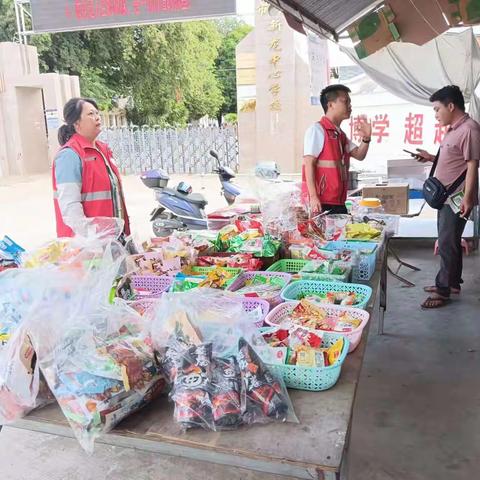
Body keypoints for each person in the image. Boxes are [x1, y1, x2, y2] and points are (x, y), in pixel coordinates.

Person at [415, 85, 480, 309]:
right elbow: (453, 160)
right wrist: (430, 157)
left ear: (451, 106)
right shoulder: (453, 129)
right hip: (446, 198)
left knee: (446, 242)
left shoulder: (470, 129)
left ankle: (443, 290)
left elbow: (472, 165)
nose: (436, 114)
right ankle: (453, 283)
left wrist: (469, 198)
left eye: (437, 109)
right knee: (449, 241)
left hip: (457, 197)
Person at [52, 97, 130, 237]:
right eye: (91, 114)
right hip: (87, 245)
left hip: (111, 239)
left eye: (97, 113)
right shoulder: (70, 155)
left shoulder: (102, 150)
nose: (97, 118)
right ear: (76, 123)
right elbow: (70, 208)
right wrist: (93, 237)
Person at [302, 84, 372, 215]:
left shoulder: (340, 135)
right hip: (322, 202)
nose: (350, 106)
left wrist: (366, 138)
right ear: (330, 105)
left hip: (338, 202)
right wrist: (313, 197)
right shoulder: (317, 130)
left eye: (350, 102)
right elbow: (308, 163)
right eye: (345, 101)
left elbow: (359, 154)